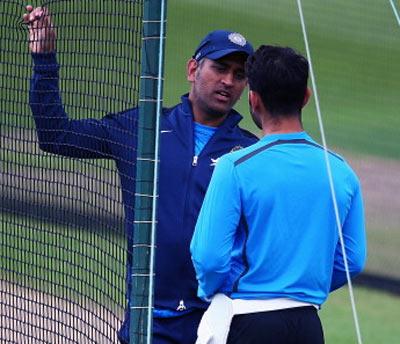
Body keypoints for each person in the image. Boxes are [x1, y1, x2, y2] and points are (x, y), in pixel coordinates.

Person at [23, 5, 257, 344]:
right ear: (193, 69)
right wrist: (44, 60)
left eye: (239, 75)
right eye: (220, 68)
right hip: (147, 322)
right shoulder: (143, 128)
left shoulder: (249, 152)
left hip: (215, 323)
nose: (228, 81)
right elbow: (56, 136)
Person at [190, 45, 367, 344]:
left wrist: (218, 292)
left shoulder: (235, 166)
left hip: (247, 321)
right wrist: (301, 288)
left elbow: (209, 258)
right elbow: (352, 260)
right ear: (306, 97)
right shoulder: (341, 171)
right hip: (309, 327)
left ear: (253, 99)